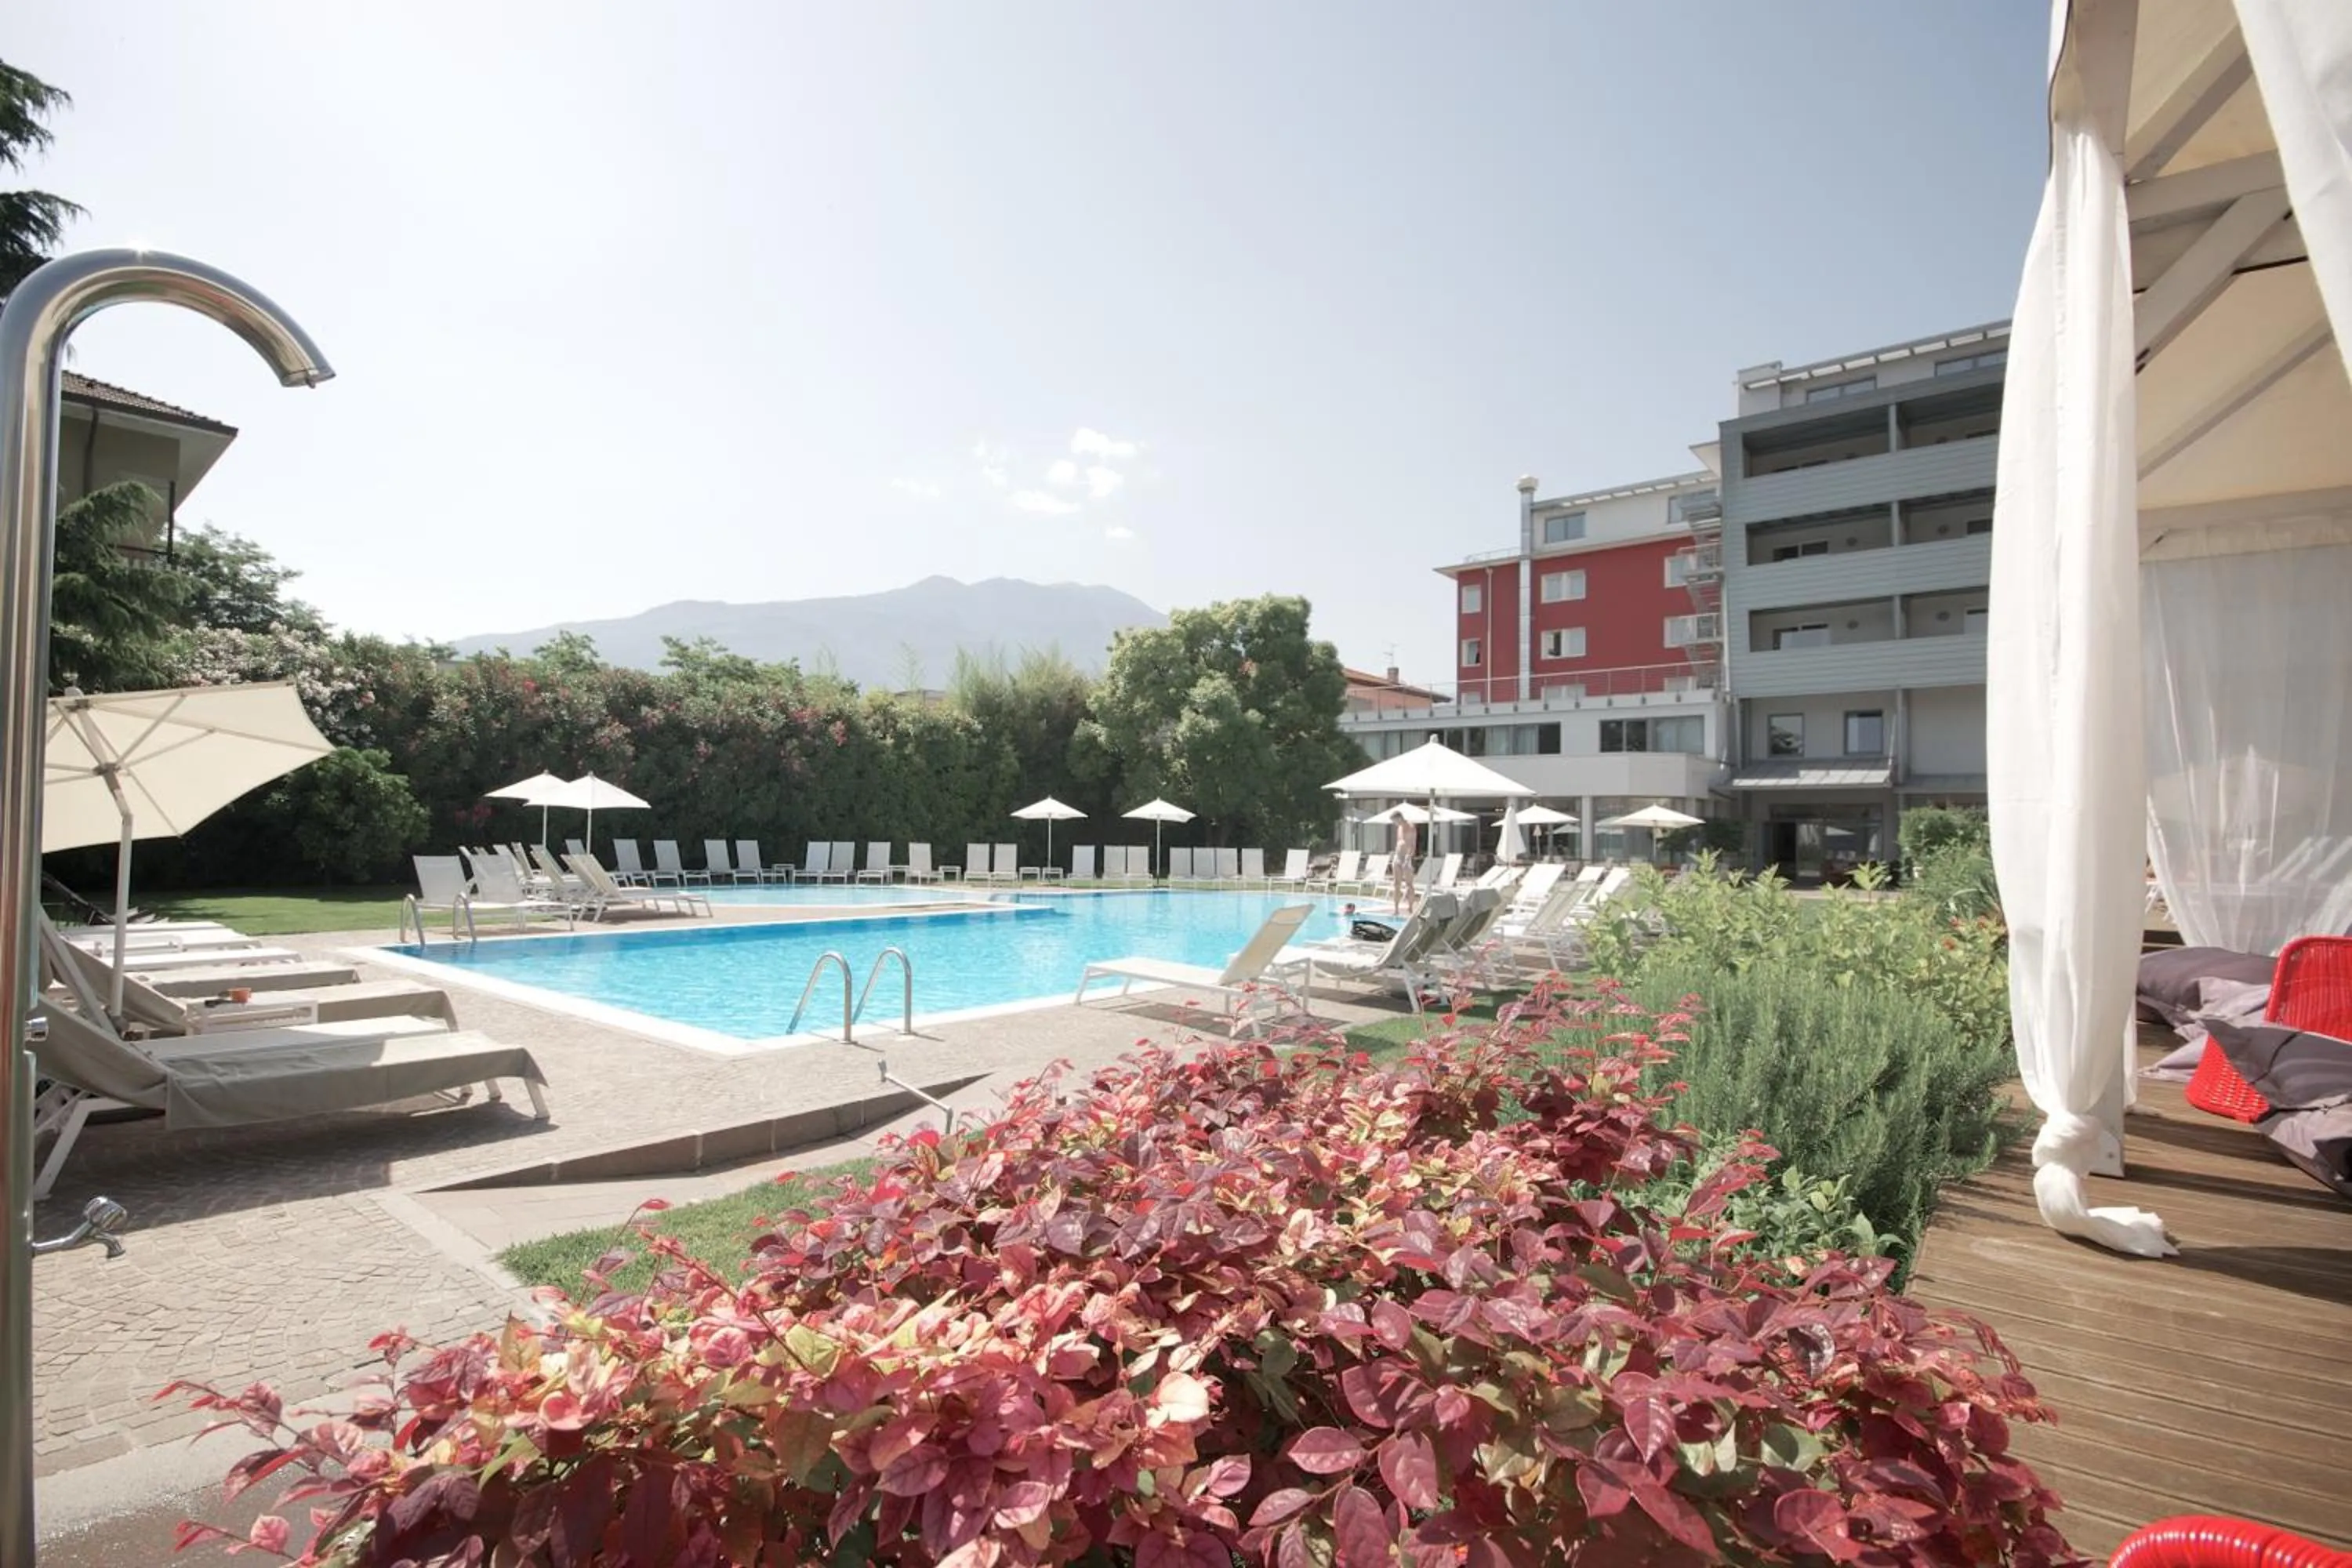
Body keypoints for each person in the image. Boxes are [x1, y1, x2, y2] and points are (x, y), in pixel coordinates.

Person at [1390, 812, 1418, 913]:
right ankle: (1396, 909)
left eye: (1394, 821)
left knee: (1409, 884)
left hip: (1407, 857)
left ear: (1400, 818)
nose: (1394, 823)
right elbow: (1399, 842)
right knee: (1396, 883)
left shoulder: (1410, 826)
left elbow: (1413, 844)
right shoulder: (1399, 828)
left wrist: (1408, 857)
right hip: (1398, 856)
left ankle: (1410, 907)